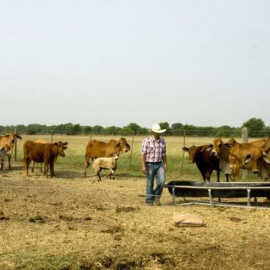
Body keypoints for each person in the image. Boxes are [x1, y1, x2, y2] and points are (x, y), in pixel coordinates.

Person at [141, 124, 168, 206]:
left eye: (159, 132)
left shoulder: (163, 141)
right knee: (150, 183)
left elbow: (164, 154)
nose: (157, 134)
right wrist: (143, 166)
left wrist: (165, 163)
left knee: (162, 181)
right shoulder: (147, 141)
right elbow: (143, 154)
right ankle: (149, 201)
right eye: (156, 132)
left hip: (159, 164)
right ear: (152, 132)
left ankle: (156, 196)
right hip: (149, 164)